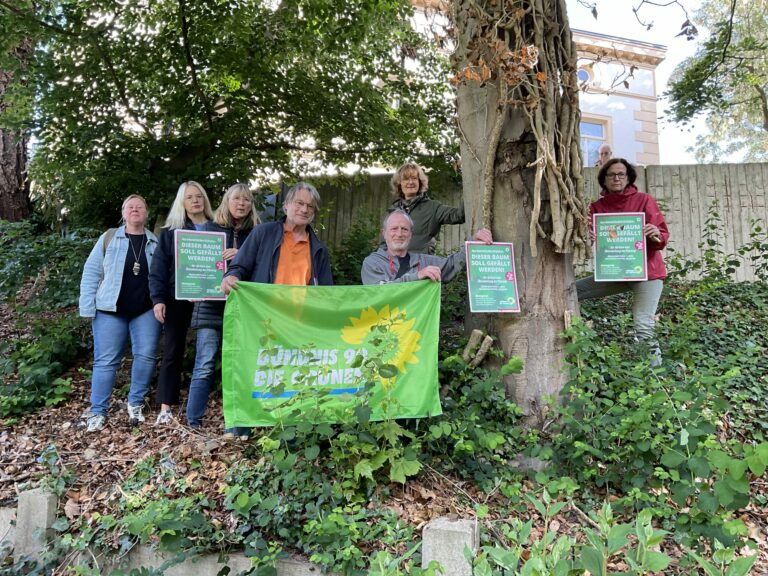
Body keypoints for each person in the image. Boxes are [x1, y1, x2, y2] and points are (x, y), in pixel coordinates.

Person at [78, 195, 161, 431]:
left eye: (140, 207)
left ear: (146, 213)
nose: (135, 210)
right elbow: (92, 272)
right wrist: (87, 307)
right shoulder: (109, 238)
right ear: (123, 213)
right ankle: (98, 411)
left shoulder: (155, 242)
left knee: (145, 356)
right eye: (130, 207)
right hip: (109, 310)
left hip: (145, 310)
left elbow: (162, 277)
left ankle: (135, 404)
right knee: (106, 361)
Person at [576, 158, 669, 367]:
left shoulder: (644, 200)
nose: (616, 178)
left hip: (647, 273)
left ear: (628, 178)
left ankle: (656, 377)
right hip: (615, 271)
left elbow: (662, 235)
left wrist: (656, 233)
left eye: (621, 174)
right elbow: (589, 238)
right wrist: (587, 235)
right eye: (611, 174)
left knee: (643, 325)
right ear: (604, 179)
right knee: (571, 291)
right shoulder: (597, 207)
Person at [186, 183, 259, 430]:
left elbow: (261, 269)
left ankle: (238, 425)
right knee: (205, 364)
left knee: (241, 365)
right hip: (210, 308)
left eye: (247, 200)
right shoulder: (209, 229)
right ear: (227, 201)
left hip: (243, 310)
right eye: (237, 198)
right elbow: (194, 264)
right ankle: (193, 422)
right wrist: (191, 288)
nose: (242, 204)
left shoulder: (258, 233)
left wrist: (240, 253)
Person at [149, 181, 214, 424]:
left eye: (199, 196)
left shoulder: (218, 227)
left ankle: (201, 406)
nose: (195, 201)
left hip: (211, 297)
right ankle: (166, 407)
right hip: (179, 297)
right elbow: (158, 268)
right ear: (182, 202)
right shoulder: (171, 231)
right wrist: (158, 299)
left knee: (207, 352)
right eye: (190, 197)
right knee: (173, 350)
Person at [222, 181, 333, 292]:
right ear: (286, 205)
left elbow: (326, 292)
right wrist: (232, 277)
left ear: (314, 212)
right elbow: (238, 267)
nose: (304, 210)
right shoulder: (263, 233)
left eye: (310, 206)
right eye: (299, 203)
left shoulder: (319, 250)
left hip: (299, 310)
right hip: (263, 308)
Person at [363, 210, 492, 284]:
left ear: (410, 234)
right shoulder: (372, 263)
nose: (399, 234)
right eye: (394, 229)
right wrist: (417, 276)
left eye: (404, 229)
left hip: (420, 329)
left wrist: (473, 243)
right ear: (384, 233)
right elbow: (380, 293)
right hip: (386, 328)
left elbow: (452, 264)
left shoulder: (424, 261)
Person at [380, 162, 465, 254]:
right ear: (399, 183)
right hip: (395, 266)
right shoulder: (392, 211)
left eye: (414, 178)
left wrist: (468, 182)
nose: (410, 182)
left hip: (422, 265)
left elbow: (460, 215)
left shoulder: (433, 208)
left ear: (420, 182)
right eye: (406, 179)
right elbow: (383, 244)